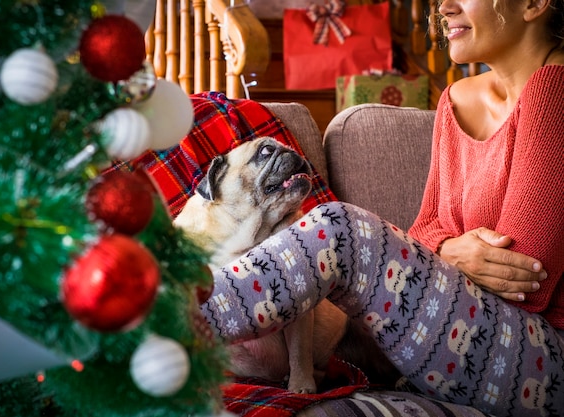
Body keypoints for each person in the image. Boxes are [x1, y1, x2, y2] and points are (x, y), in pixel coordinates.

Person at [199, 0, 564, 416]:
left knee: (343, 232)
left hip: (541, 363)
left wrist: (437, 251)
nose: (444, 7)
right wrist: (447, 250)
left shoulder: (555, 89)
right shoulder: (456, 99)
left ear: (535, 4)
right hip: (469, 337)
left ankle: (163, 328)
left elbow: (525, 276)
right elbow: (425, 228)